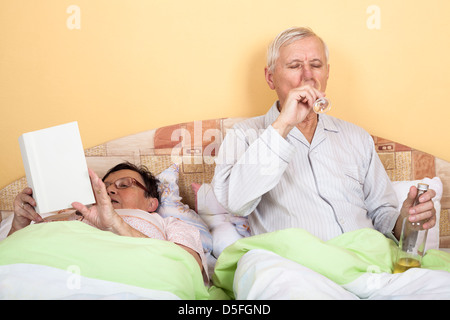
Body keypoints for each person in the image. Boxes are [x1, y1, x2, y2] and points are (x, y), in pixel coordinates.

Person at [212, 27, 448, 299]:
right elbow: (236, 201)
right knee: (260, 270)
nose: (308, 76)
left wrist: (405, 221)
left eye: (316, 65)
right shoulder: (245, 135)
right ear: (270, 77)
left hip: (372, 267)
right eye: (294, 66)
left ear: (326, 74)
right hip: (298, 270)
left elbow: (382, 212)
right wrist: (284, 124)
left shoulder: (356, 137)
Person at [9, 161, 207, 279]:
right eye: (104, 187)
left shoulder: (170, 223)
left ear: (151, 203)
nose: (110, 189)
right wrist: (19, 224)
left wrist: (117, 225)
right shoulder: (73, 217)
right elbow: (15, 256)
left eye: (124, 184)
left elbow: (189, 266)